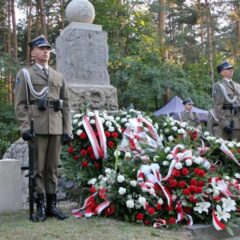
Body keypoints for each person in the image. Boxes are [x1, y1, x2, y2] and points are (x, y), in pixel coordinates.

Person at [14, 35, 72, 221]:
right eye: (42, 49)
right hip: (36, 127)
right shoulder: (26, 74)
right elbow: (21, 104)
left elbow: (66, 104)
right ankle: (40, 206)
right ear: (33, 52)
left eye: (48, 49)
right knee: (38, 169)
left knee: (52, 169)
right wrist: (24, 127)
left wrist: (67, 129)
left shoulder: (58, 76)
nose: (46, 52)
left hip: (55, 127)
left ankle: (52, 206)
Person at [212, 61, 240, 141]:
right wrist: (225, 125)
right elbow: (218, 107)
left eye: (231, 68)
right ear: (222, 72)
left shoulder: (238, 86)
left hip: (238, 123)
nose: (231, 70)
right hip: (229, 123)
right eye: (228, 69)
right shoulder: (219, 86)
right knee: (231, 150)